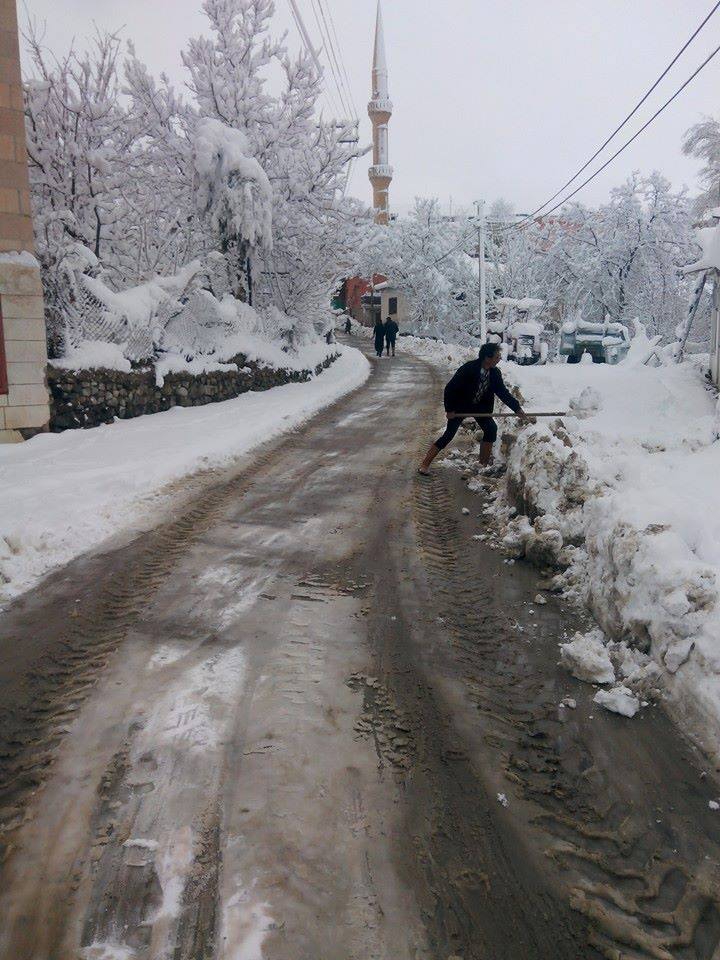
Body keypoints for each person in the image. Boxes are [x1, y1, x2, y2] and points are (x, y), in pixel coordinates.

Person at [418, 342, 526, 474]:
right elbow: (450, 389)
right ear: (487, 358)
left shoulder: (495, 373)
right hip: (461, 406)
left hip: (481, 407)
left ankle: (482, 465)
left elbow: (502, 392)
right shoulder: (468, 369)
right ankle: (425, 464)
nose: (499, 359)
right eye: (497, 357)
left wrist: (517, 408)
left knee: (491, 429)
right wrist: (449, 410)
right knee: (448, 435)